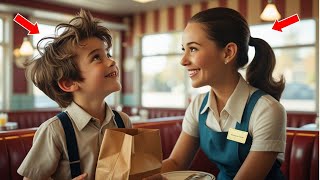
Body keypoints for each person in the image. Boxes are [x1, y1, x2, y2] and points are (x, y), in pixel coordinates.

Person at [161, 7, 286, 180]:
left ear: (228, 53)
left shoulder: (267, 110)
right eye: (184, 49)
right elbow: (175, 163)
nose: (183, 61)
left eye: (194, 49)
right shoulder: (198, 105)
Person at [17, 9, 131, 180]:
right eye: (96, 58)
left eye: (107, 54)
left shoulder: (123, 121)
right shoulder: (55, 131)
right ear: (69, 83)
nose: (112, 61)